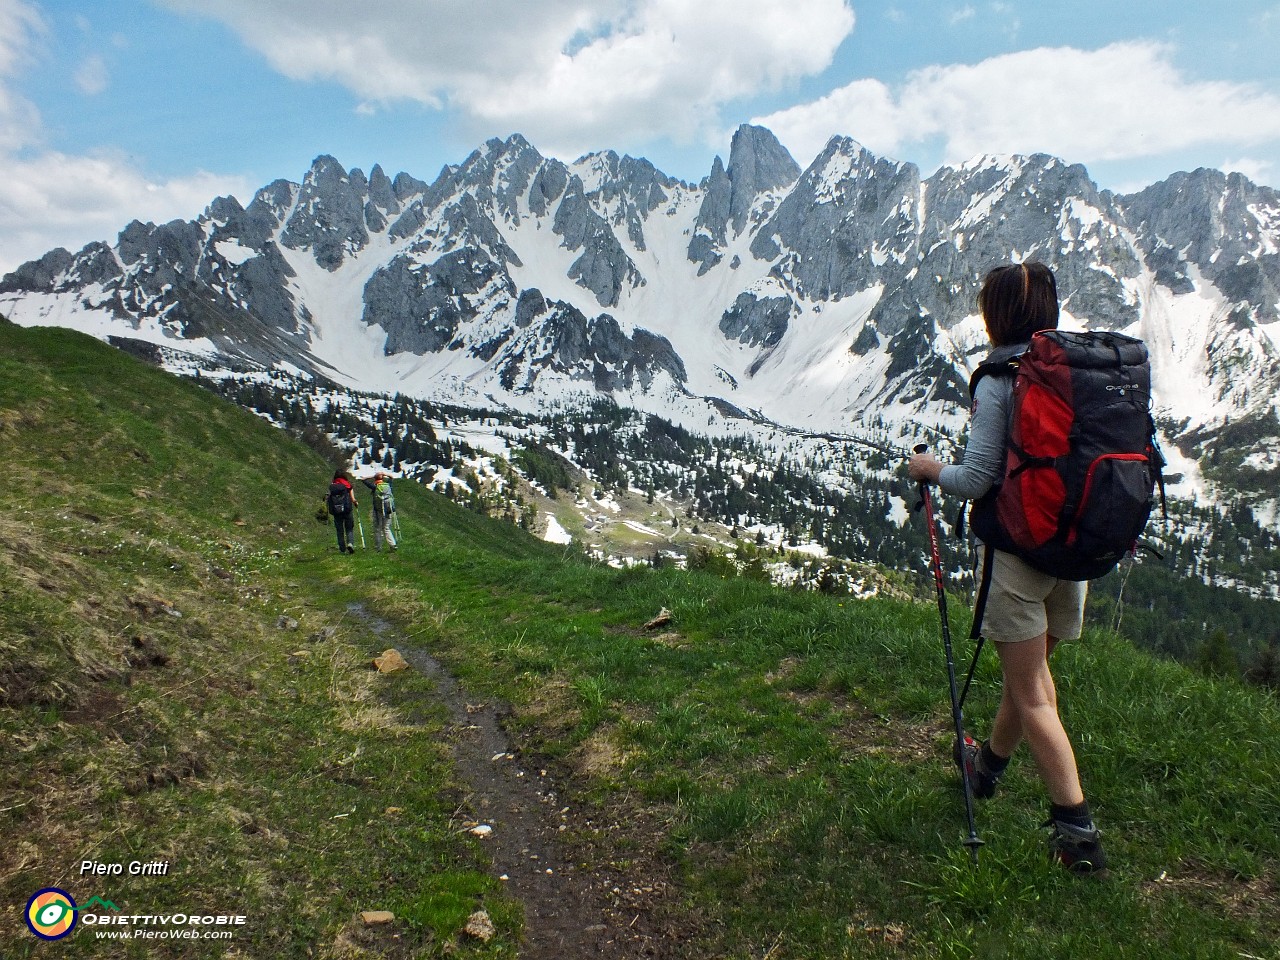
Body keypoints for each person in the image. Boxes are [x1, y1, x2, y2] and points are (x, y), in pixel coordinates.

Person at [908, 261, 1106, 874]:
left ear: (996, 317)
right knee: (1030, 675)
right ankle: (986, 768)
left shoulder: (999, 379)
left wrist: (928, 470)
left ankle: (1077, 832)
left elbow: (977, 479)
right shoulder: (1076, 367)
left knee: (1034, 694)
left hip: (1018, 556)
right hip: (1074, 552)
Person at [361, 471, 397, 552]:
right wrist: (384, 474)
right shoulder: (388, 485)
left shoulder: (375, 486)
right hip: (388, 509)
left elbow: (363, 480)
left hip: (378, 510)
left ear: (375, 478)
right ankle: (393, 544)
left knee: (378, 528)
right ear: (383, 478)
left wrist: (373, 476)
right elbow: (391, 477)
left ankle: (378, 548)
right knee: (386, 528)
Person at [327, 469, 358, 554]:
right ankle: (350, 543)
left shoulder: (332, 486)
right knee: (349, 528)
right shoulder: (347, 485)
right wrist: (355, 502)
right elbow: (352, 498)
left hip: (336, 511)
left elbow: (329, 497)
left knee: (339, 530)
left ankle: (342, 549)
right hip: (347, 509)